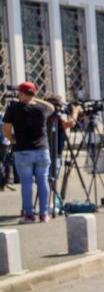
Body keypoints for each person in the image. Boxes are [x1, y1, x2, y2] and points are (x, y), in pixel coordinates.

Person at [2, 81, 55, 222]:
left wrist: (12, 139)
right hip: (42, 149)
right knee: (43, 181)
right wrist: (34, 97)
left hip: (23, 150)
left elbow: (6, 128)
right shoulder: (41, 109)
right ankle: (44, 214)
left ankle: (29, 214)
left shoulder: (14, 108)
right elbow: (52, 107)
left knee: (26, 183)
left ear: (20, 93)